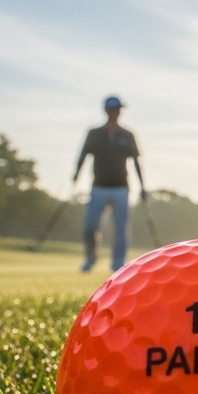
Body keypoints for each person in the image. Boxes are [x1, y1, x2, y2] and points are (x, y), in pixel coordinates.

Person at [74, 95, 144, 273]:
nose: (117, 112)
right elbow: (83, 155)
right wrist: (76, 175)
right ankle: (90, 259)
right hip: (98, 186)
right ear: (106, 110)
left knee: (121, 229)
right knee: (91, 227)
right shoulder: (94, 133)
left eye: (119, 109)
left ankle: (118, 264)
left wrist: (143, 186)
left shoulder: (128, 135)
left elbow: (136, 161)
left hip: (121, 187)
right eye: (114, 109)